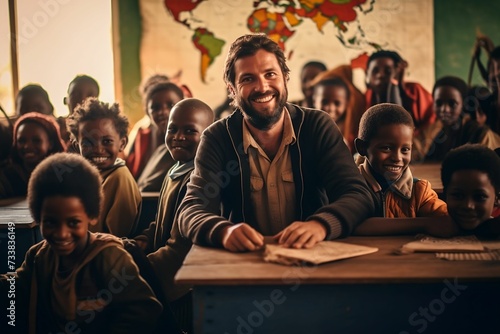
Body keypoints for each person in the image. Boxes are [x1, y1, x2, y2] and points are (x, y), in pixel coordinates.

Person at [178, 33, 375, 252]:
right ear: (232, 89)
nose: (262, 87)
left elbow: (357, 195)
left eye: (270, 74)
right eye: (248, 79)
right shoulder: (216, 138)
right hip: (244, 263)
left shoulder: (317, 126)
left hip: (313, 260)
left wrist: (321, 225)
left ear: (285, 78)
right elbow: (191, 210)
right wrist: (223, 231)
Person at [0, 153, 162, 333]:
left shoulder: (109, 257)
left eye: (73, 222)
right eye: (51, 222)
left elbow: (144, 311)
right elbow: (16, 287)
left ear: (92, 216)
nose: (61, 234)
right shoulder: (39, 256)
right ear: (38, 218)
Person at [135, 98, 214, 332]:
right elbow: (163, 217)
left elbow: (180, 248)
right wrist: (145, 238)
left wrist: (136, 273)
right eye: (173, 129)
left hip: (181, 288)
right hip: (164, 274)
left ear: (208, 136)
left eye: (190, 131)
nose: (178, 136)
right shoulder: (176, 168)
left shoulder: (200, 179)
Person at [352, 104, 456, 237]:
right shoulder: (352, 186)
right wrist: (424, 224)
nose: (397, 158)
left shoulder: (419, 191)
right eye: (387, 148)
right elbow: (351, 224)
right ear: (362, 148)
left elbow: (446, 220)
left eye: (405, 149)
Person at [67, 98, 141, 237]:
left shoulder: (119, 178)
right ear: (78, 146)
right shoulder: (86, 177)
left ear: (122, 143)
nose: (98, 149)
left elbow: (116, 238)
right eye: (88, 143)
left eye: (107, 141)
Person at [412, 76, 500, 162]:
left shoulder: (481, 134)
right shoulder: (434, 131)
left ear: (463, 105)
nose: (444, 109)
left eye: (452, 103)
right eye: (439, 103)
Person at [365, 50, 435, 132]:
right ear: (367, 73)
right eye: (375, 71)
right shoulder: (365, 97)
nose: (380, 75)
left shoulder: (415, 90)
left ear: (398, 72)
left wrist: (396, 86)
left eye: (388, 71)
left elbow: (432, 122)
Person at [0, 112, 66, 198]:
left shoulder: (62, 173)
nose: (27, 146)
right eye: (21, 141)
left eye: (36, 140)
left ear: (50, 144)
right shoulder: (6, 177)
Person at [441, 144, 500, 237]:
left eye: (479, 197)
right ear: (445, 196)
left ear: (497, 199)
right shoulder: (437, 226)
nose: (468, 206)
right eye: (458, 196)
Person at [135, 82, 185, 192]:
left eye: (171, 105)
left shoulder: (185, 147)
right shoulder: (160, 149)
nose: (163, 112)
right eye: (155, 108)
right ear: (148, 113)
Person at [309, 64, 366, 154]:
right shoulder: (307, 129)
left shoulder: (347, 135)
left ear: (346, 104)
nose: (330, 108)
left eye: (337, 103)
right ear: (315, 101)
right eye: (324, 102)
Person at [59, 74, 101, 150]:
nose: (83, 99)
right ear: (66, 100)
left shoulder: (103, 129)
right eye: (75, 94)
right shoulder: (56, 128)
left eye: (90, 95)